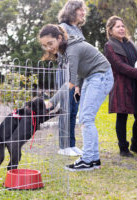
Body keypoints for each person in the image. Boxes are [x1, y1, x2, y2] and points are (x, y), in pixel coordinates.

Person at [38, 24, 113, 171]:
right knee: (85, 118)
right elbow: (78, 72)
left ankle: (87, 159)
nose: (48, 48)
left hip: (100, 76)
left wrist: (51, 103)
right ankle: (93, 159)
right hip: (91, 77)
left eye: (50, 43)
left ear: (59, 38)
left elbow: (70, 82)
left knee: (86, 118)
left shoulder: (71, 50)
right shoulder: (66, 50)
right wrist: (78, 85)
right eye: (44, 45)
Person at [104, 16, 137, 157]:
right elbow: (119, 66)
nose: (121, 28)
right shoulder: (109, 46)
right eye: (117, 26)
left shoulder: (131, 44)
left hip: (136, 83)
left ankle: (136, 144)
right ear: (110, 31)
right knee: (122, 116)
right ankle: (123, 148)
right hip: (121, 85)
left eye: (123, 26)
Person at [55, 0, 87, 156]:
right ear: (72, 10)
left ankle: (72, 144)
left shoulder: (78, 30)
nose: (83, 12)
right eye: (80, 9)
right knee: (66, 109)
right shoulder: (63, 28)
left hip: (76, 74)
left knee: (74, 110)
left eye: (83, 9)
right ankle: (63, 145)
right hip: (65, 72)